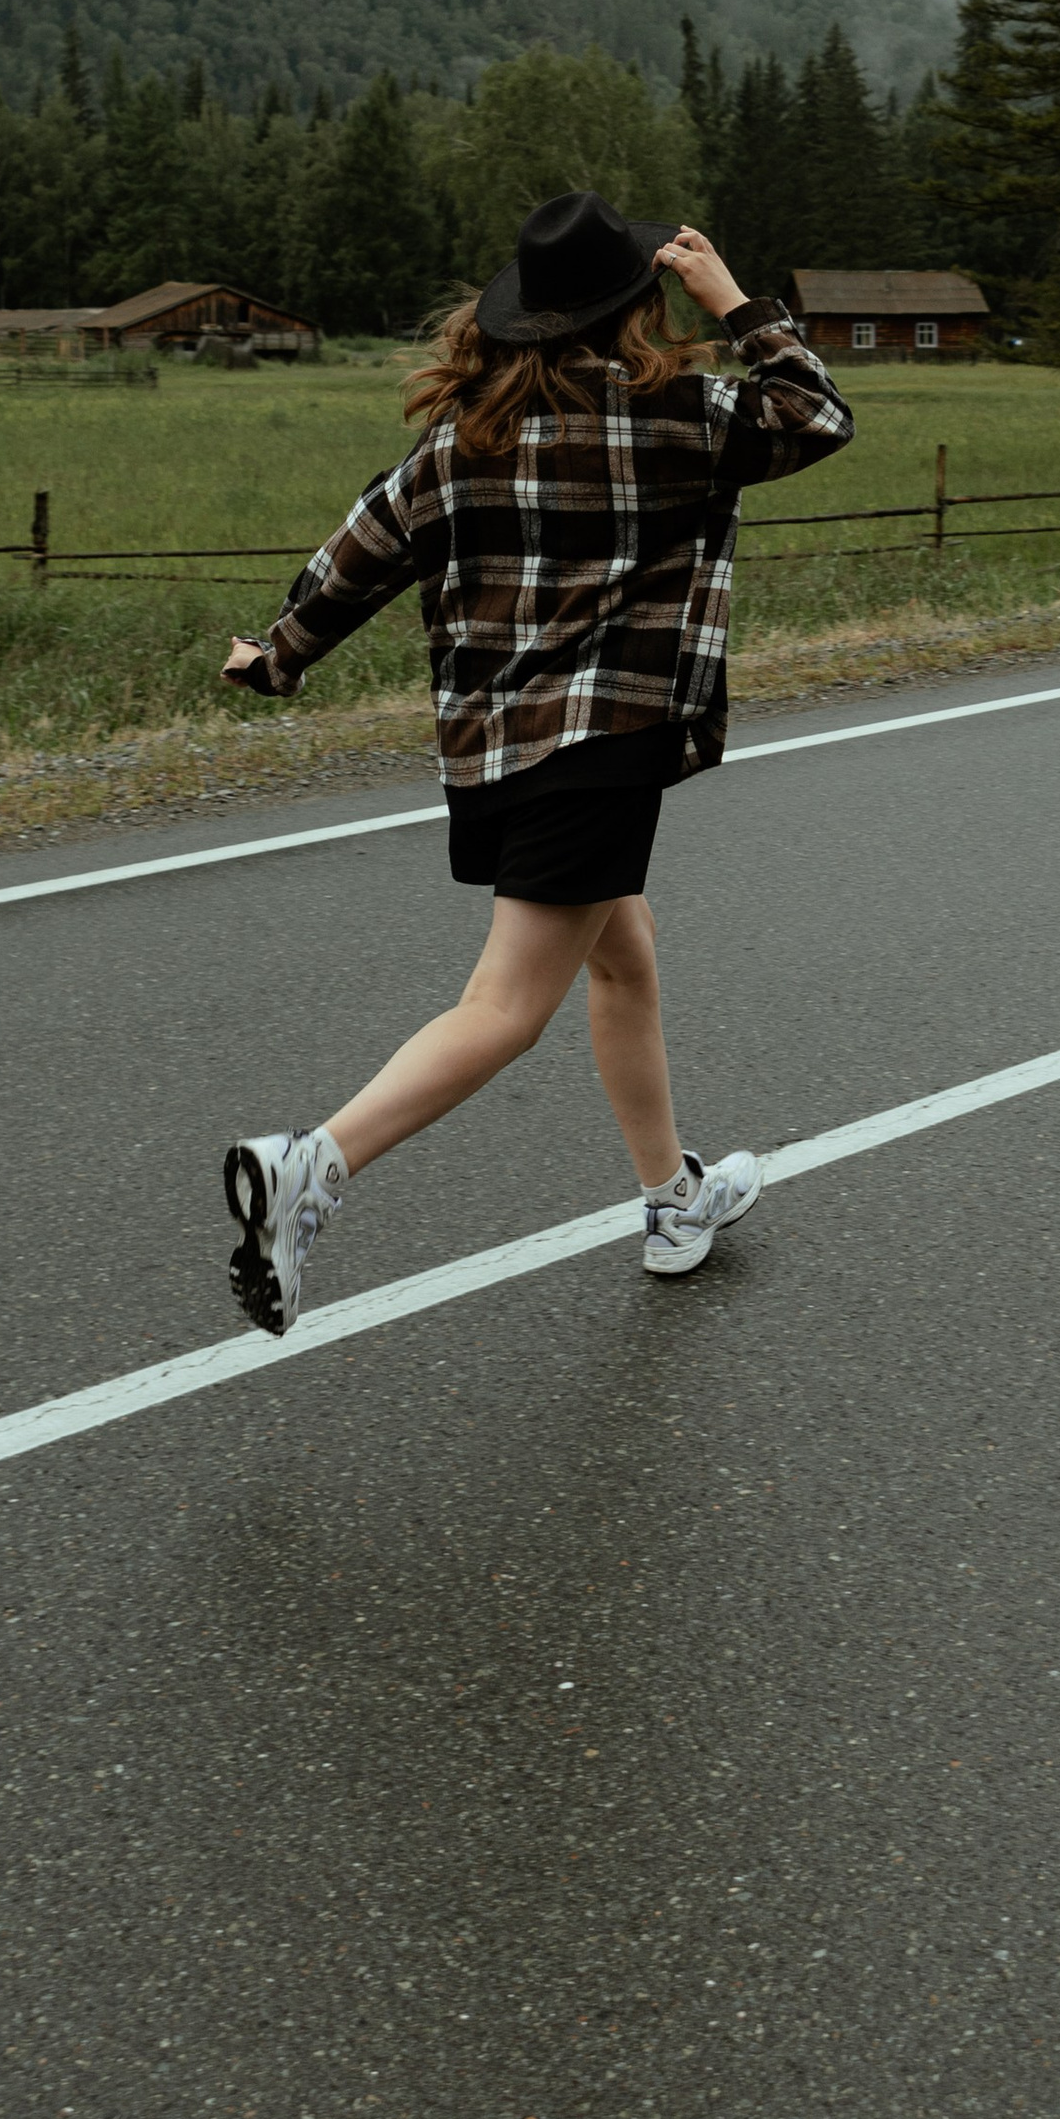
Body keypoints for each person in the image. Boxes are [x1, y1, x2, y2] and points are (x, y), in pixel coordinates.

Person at [215, 189, 854, 1335]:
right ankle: (313, 1166)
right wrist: (738, 301)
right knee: (505, 1006)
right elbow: (812, 416)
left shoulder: (459, 442)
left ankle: (672, 1200)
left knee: (624, 956)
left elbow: (354, 556)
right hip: (603, 744)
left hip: (490, 752)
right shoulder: (680, 418)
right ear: (636, 310)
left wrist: (276, 656)